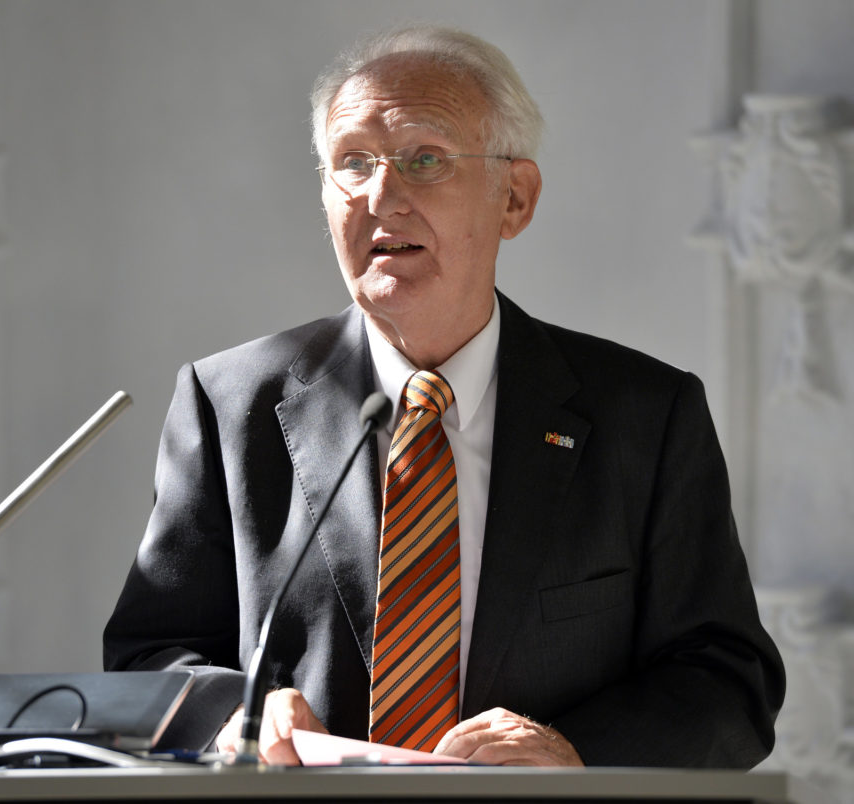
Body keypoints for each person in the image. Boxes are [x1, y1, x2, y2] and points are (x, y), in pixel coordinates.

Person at [104, 24, 784, 768]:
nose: (380, 194)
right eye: (351, 163)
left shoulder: (645, 416)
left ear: (514, 199)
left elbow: (729, 682)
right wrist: (239, 712)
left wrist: (572, 753)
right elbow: (149, 654)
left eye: (424, 159)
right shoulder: (229, 405)